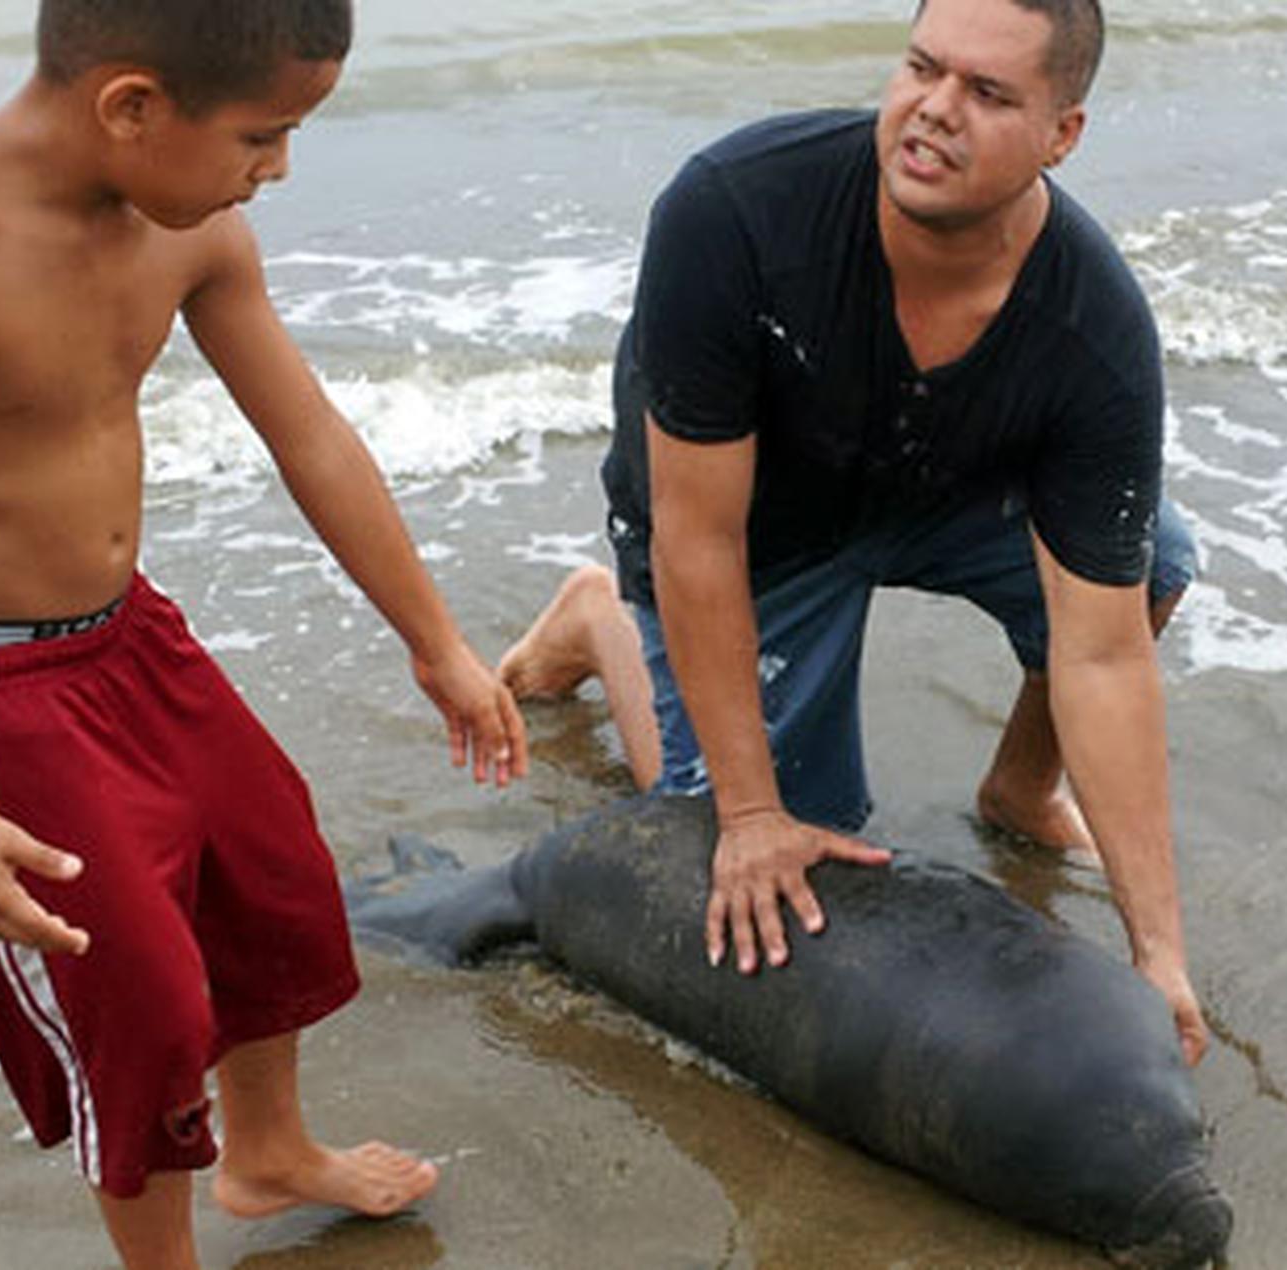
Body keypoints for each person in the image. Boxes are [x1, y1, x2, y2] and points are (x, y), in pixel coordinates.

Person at [0, 3, 527, 1267]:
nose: (276, 169)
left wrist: (433, 637)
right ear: (131, 106)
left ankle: (267, 1154)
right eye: (262, 136)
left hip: (127, 632)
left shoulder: (191, 221)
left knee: (274, 869)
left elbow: (308, 433)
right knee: (142, 1005)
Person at [497, 0, 1208, 1066]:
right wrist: (745, 814)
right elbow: (698, 541)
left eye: (987, 92)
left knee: (1151, 558)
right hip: (753, 522)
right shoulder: (733, 211)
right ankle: (601, 623)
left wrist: (1160, 954)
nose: (933, 110)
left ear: (1063, 134)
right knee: (781, 860)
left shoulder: (1091, 326)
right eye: (922, 68)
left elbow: (1103, 649)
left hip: (939, 480)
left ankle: (1019, 786)